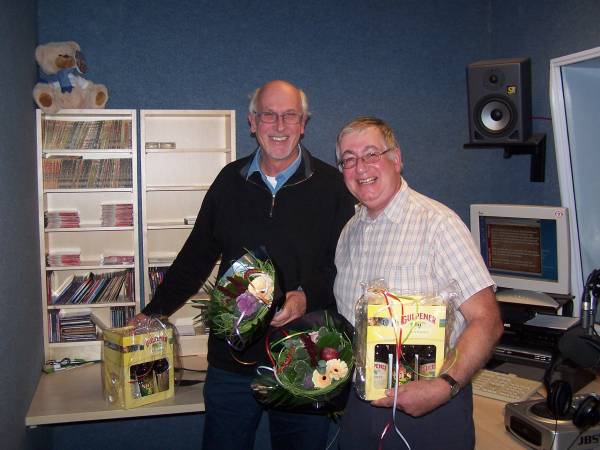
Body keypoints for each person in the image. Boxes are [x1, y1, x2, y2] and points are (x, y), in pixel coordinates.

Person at [130, 80, 356, 450]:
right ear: (252, 122)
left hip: (305, 356)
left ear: (303, 123)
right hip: (232, 362)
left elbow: (346, 265)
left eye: (290, 116)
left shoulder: (333, 186)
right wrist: (153, 312)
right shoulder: (228, 182)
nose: (279, 126)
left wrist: (306, 295)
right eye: (269, 115)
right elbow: (196, 256)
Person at [332, 116, 504, 450]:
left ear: (396, 158)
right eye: (348, 160)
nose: (360, 167)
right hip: (360, 407)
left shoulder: (439, 225)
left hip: (431, 410)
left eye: (371, 154)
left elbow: (487, 320)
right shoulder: (349, 232)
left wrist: (444, 384)